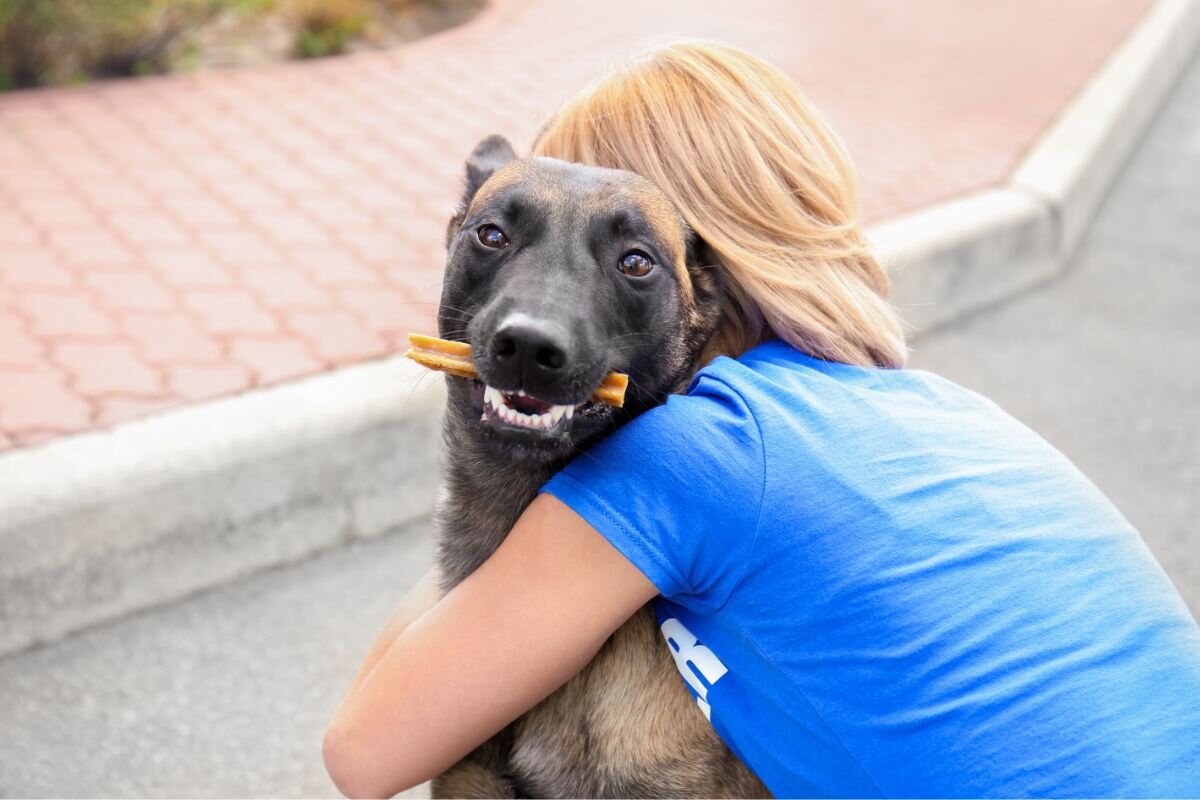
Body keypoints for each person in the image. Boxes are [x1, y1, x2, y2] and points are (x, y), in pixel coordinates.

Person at [323, 40, 1200, 798]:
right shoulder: (928, 407)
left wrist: (513, 486)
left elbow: (365, 749)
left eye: (626, 256)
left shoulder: (699, 450)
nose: (549, 306)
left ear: (707, 283)